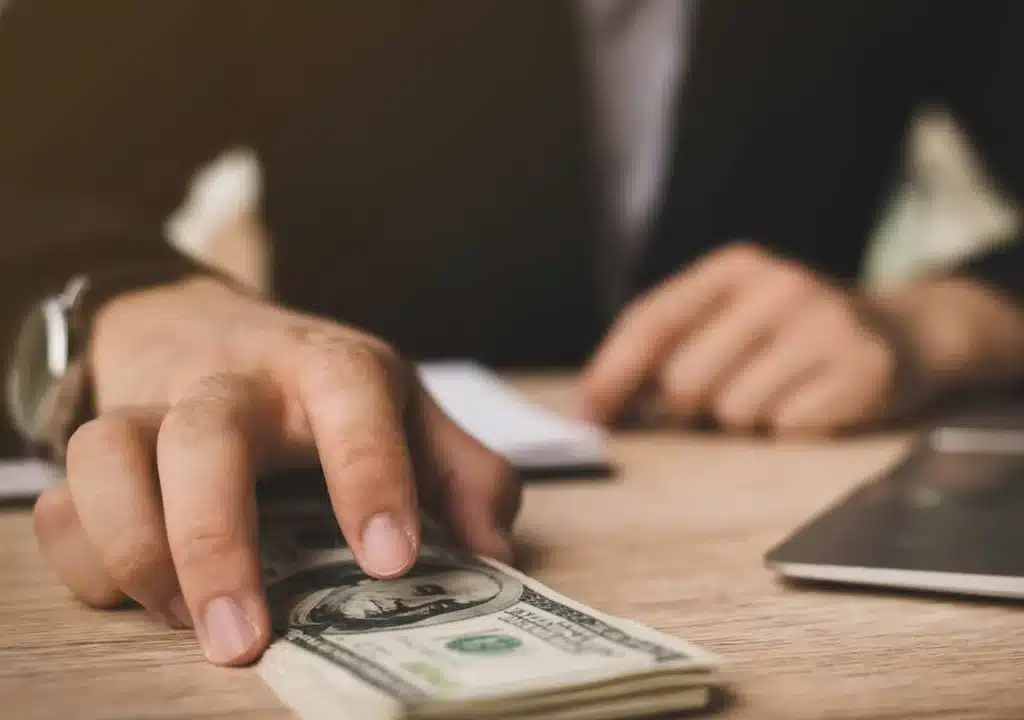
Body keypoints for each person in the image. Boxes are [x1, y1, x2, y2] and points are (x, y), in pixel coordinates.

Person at [1, 1, 1022, 667]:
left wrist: (953, 316)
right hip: (328, 500)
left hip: (768, 509)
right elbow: (31, 164)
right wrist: (128, 309)